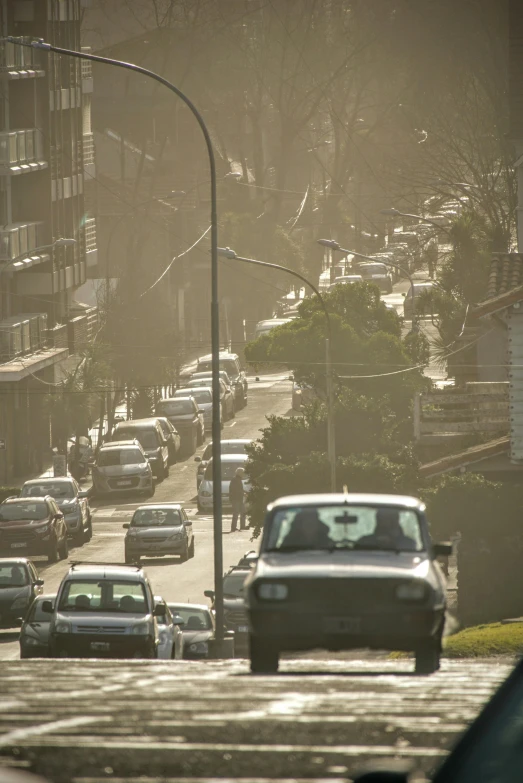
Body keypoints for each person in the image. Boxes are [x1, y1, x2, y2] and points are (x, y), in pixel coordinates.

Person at [229, 467, 247, 532]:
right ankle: (234, 527)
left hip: (238, 498)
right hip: (235, 499)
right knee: (236, 513)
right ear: (240, 473)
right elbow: (236, 490)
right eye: (243, 473)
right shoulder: (235, 480)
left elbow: (239, 489)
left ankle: (242, 526)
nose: (244, 474)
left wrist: (244, 492)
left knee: (242, 512)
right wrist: (243, 493)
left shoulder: (237, 479)